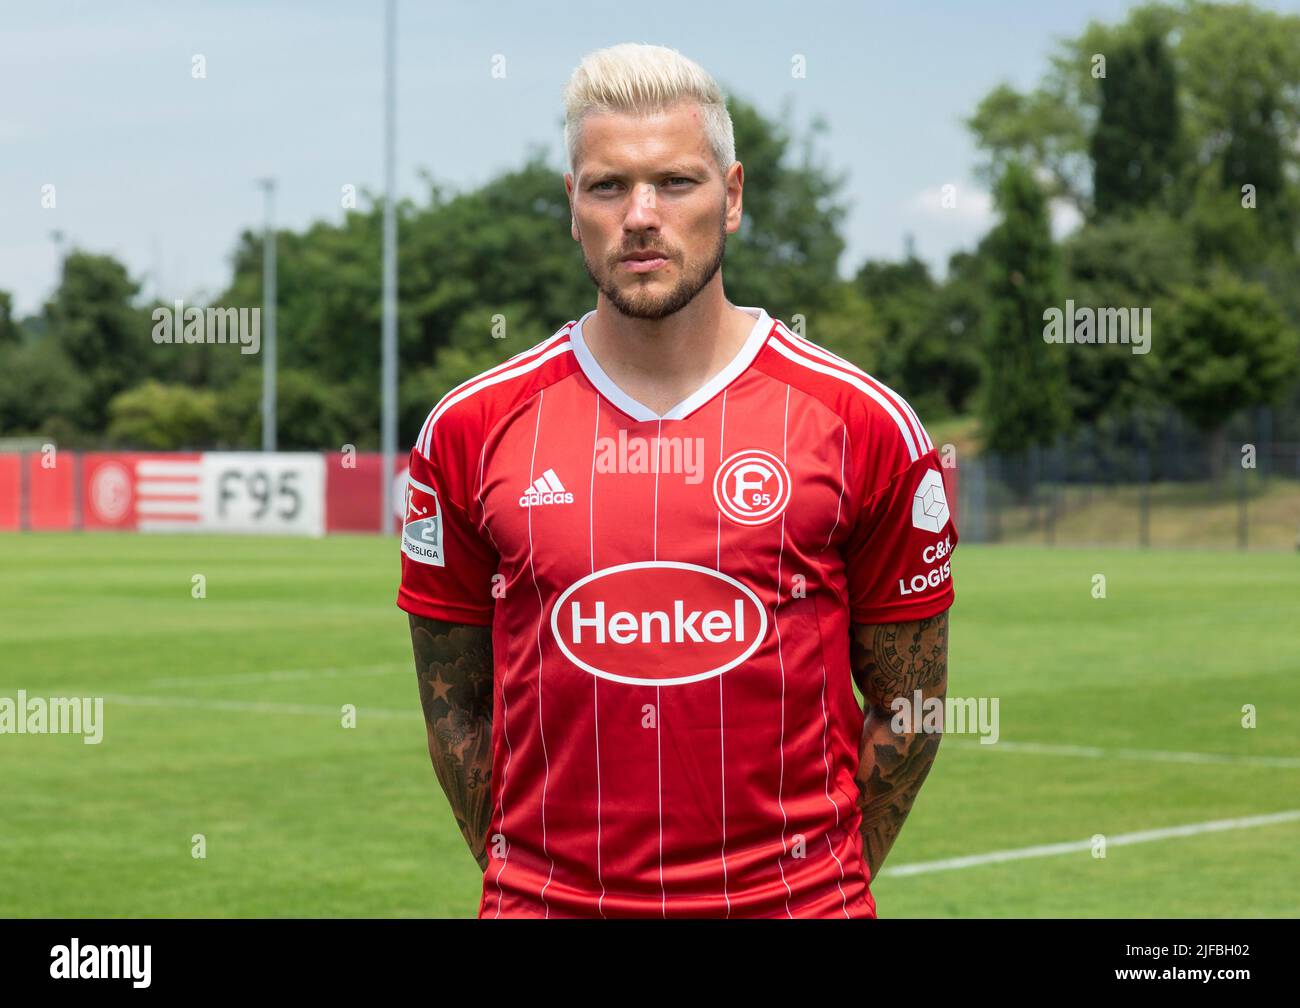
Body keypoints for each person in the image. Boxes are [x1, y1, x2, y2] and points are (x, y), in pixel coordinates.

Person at [397, 42, 957, 918]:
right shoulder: (471, 430)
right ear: (571, 207)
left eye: (676, 183)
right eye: (608, 186)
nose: (641, 215)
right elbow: (452, 712)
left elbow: (912, 706)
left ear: (732, 197)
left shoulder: (863, 424)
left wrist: (813, 890)